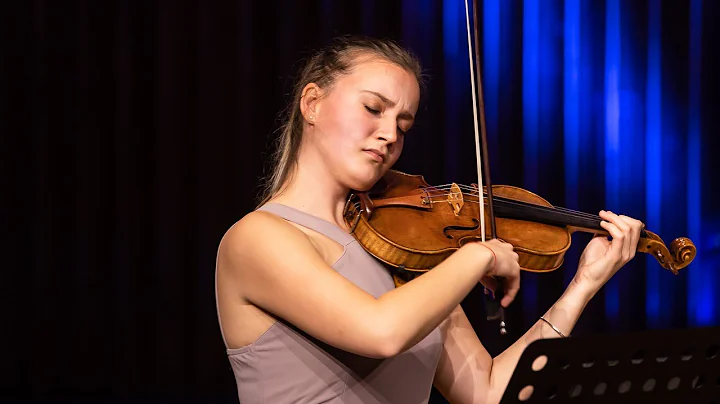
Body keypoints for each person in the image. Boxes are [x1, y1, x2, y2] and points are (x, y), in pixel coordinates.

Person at [214, 36, 644, 404]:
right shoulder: (257, 238)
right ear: (312, 103)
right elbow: (380, 330)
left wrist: (582, 285)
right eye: (373, 108)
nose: (389, 135)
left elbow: (489, 393)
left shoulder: (401, 246)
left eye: (403, 125)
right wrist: (480, 255)